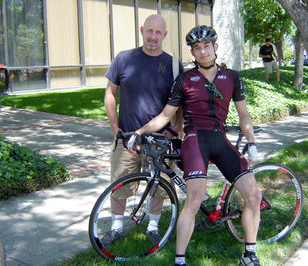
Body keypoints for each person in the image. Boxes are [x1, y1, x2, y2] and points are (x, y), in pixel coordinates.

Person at [130, 25, 262, 266]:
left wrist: (251, 140)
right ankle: (180, 260)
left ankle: (250, 254)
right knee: (194, 199)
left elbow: (244, 115)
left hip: (220, 139)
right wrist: (139, 132)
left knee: (253, 195)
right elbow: (165, 116)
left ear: (215, 48)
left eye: (206, 46)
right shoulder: (185, 79)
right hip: (194, 140)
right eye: (197, 48)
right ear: (192, 52)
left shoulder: (232, 77)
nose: (202, 52)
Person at [103, 14, 183, 246]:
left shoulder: (173, 65)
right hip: (127, 137)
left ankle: (153, 227)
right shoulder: (124, 59)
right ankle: (116, 227)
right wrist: (115, 127)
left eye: (158, 32)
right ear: (141, 30)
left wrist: (176, 128)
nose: (153, 37)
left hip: (160, 138)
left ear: (165, 35)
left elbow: (180, 103)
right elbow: (110, 93)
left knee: (159, 187)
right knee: (119, 184)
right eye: (150, 31)